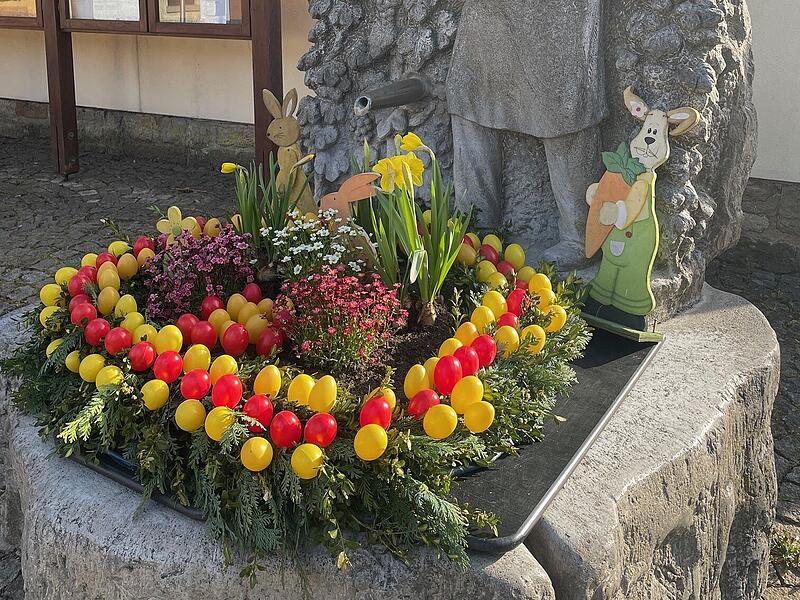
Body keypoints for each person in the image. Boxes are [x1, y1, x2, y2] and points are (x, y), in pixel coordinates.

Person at [446, 0, 606, 269]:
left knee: (565, 107)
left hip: (561, 14)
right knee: (469, 97)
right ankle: (476, 226)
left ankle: (581, 236)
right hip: (491, 13)